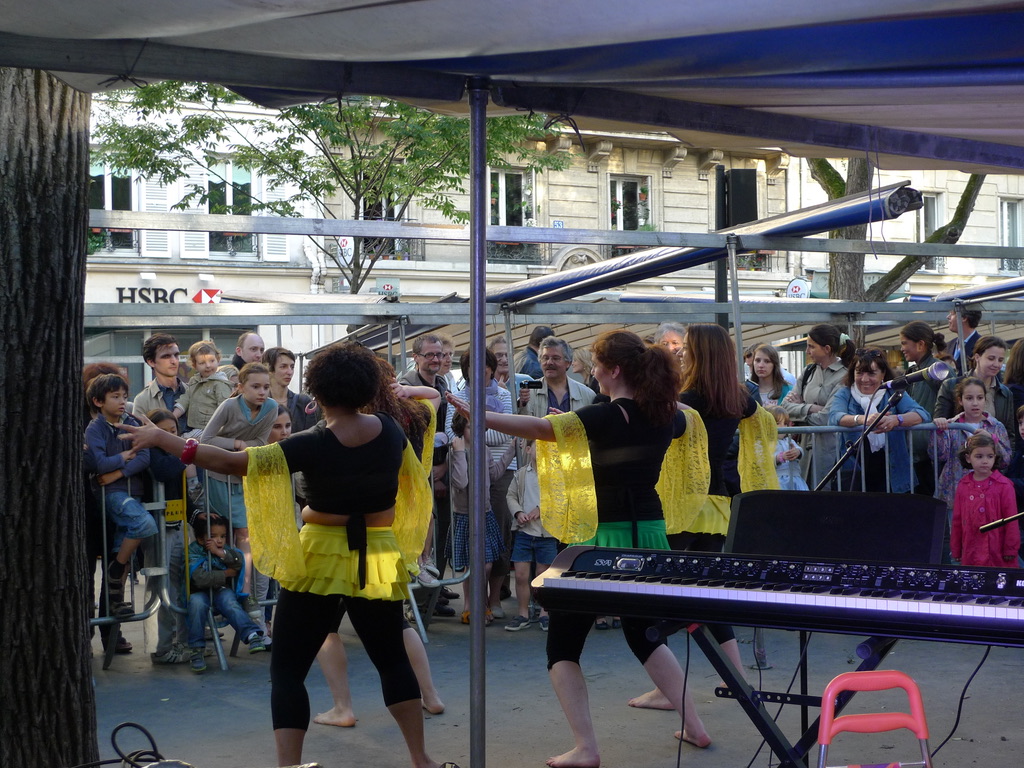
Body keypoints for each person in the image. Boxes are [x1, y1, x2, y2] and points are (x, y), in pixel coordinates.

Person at [118, 341, 452, 768]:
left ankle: (290, 766)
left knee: (289, 671)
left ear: (318, 392)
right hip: (378, 555)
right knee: (392, 661)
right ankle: (421, 759)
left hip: (320, 557)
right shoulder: (389, 429)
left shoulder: (312, 443)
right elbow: (417, 451)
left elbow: (234, 463)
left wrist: (163, 438)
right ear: (368, 389)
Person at [448, 330, 713, 767]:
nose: (591, 371)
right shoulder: (666, 415)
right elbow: (690, 418)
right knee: (643, 634)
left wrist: (481, 415)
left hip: (601, 541)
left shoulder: (605, 415)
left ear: (614, 371)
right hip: (647, 534)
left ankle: (587, 748)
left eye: (596, 364)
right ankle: (697, 727)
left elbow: (539, 428)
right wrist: (663, 398)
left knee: (563, 646)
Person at [200, 362, 278, 615]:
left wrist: (245, 448)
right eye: (255, 387)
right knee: (225, 535)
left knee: (244, 533)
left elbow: (261, 442)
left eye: (266, 386)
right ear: (241, 387)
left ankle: (244, 591)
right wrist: (237, 444)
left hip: (243, 477)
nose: (262, 392)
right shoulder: (228, 406)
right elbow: (206, 439)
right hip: (218, 476)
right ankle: (225, 594)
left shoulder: (272, 407)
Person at [84, 373, 156, 617]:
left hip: (130, 490)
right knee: (144, 524)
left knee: (120, 547)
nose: (123, 401)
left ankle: (115, 601)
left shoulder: (132, 423)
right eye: (115, 397)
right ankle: (116, 570)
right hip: (112, 494)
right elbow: (99, 463)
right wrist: (124, 456)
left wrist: (117, 472)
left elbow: (144, 457)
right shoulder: (95, 428)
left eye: (124, 396)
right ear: (98, 401)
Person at [828, 348, 930, 493]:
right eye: (859, 372)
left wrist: (896, 419)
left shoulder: (894, 392)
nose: (864, 379)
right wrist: (862, 419)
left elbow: (921, 414)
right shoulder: (844, 393)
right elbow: (835, 416)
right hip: (853, 471)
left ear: (883, 374)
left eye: (871, 373)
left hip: (892, 470)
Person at [929, 377, 1010, 562]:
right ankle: (959, 570)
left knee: (988, 537)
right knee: (958, 538)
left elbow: (1005, 459)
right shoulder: (952, 425)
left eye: (979, 398)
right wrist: (939, 432)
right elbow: (938, 455)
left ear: (985, 399)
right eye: (969, 398)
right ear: (960, 400)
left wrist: (993, 440)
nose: (975, 403)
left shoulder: (995, 426)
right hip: (956, 492)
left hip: (988, 494)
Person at [448, 410, 515, 624]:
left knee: (486, 564)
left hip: (484, 512)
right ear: (461, 429)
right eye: (470, 427)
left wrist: (511, 451)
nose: (475, 431)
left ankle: (481, 603)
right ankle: (470, 605)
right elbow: (461, 482)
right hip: (465, 515)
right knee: (471, 564)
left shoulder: (483, 449)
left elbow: (494, 475)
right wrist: (459, 453)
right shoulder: (456, 450)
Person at [145, 408, 198, 665]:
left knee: (178, 586)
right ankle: (160, 647)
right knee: (160, 587)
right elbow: (162, 472)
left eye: (173, 431)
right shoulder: (150, 453)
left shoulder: (176, 455)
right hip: (157, 529)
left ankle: (182, 642)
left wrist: (197, 516)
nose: (169, 436)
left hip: (177, 527)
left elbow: (183, 491)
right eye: (162, 432)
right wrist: (186, 454)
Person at [186, 515, 268, 673]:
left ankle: (251, 634)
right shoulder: (193, 552)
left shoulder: (225, 550)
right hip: (199, 592)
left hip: (221, 590)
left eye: (223, 536)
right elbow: (199, 578)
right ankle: (196, 649)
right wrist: (225, 574)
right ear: (201, 539)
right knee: (196, 604)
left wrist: (220, 553)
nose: (219, 540)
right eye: (213, 536)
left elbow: (238, 562)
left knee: (230, 601)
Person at [782, 324, 856, 489]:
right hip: (803, 448)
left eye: (811, 346)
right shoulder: (808, 371)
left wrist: (800, 408)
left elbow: (826, 417)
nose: (807, 351)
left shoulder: (845, 375)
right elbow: (785, 407)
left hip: (830, 451)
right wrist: (809, 408)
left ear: (827, 349)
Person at [504, 439, 557, 632]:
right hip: (524, 531)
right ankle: (523, 613)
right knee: (520, 575)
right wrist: (518, 512)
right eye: (538, 447)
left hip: (546, 533)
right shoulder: (521, 474)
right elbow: (511, 495)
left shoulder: (554, 475)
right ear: (528, 450)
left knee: (543, 575)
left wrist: (542, 509)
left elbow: (560, 498)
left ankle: (544, 612)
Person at [952, 432, 1019, 567]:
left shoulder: (1004, 485)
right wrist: (956, 549)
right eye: (979, 456)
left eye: (990, 456)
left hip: (997, 551)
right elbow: (957, 520)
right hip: (971, 550)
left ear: (995, 457)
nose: (985, 461)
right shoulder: (963, 485)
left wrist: (1010, 548)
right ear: (968, 458)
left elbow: (1011, 519)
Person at [934, 336, 1015, 441]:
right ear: (977, 357)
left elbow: (1009, 434)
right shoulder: (950, 385)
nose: (996, 364)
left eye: (1000, 360)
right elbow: (939, 424)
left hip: (993, 450)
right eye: (991, 358)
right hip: (958, 449)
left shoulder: (1005, 393)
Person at [899, 320, 947, 495]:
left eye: (905, 343)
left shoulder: (939, 370)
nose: (902, 348)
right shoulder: (913, 372)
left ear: (920, 344)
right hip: (917, 454)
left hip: (932, 456)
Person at [520, 336, 597, 418]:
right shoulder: (529, 393)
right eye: (545, 358)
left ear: (568, 363)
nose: (549, 362)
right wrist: (521, 405)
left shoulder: (587, 395)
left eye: (555, 358)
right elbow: (523, 423)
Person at [173, 340, 234, 439]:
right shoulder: (194, 381)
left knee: (183, 440)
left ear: (218, 360)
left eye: (212, 361)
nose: (208, 365)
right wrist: (173, 416)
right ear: (194, 365)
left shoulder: (220, 383)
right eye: (202, 363)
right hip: (194, 426)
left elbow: (225, 408)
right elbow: (185, 400)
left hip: (210, 429)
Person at [134, 333, 185, 432]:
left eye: (176, 355)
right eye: (166, 356)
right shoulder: (142, 400)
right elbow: (140, 436)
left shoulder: (193, 391)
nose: (174, 361)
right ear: (151, 362)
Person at [767, 406, 807, 491]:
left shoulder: (789, 441)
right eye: (778, 423)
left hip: (795, 479)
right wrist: (779, 457)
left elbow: (799, 449)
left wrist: (797, 452)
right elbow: (765, 460)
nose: (783, 427)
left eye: (785, 423)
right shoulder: (767, 443)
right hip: (778, 480)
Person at [945, 307, 982, 375]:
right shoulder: (949, 345)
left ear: (964, 318)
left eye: (952, 314)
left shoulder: (983, 345)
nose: (948, 317)